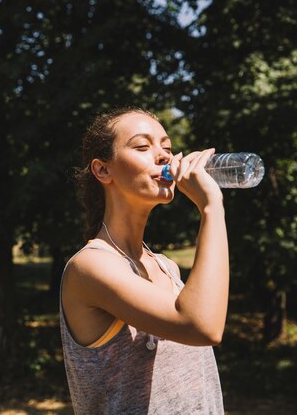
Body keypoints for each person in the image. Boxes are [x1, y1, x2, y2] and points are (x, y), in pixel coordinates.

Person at [60, 107, 228, 415]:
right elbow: (203, 326)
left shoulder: (167, 267)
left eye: (166, 147)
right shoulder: (90, 268)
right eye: (142, 146)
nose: (165, 156)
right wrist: (211, 207)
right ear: (103, 170)